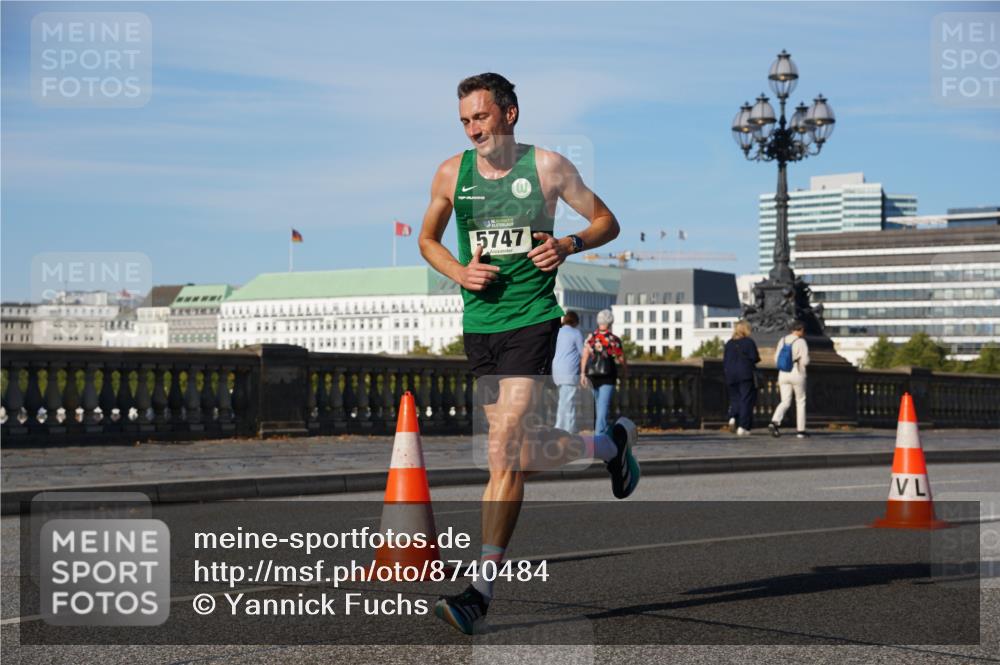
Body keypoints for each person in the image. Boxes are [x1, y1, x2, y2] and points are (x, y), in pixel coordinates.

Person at [418, 73, 641, 634]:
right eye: (466, 121)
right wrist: (459, 271)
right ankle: (609, 443)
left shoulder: (548, 168)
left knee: (502, 451)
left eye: (482, 118)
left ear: (509, 115)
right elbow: (428, 239)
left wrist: (568, 243)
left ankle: (479, 593)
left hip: (532, 321)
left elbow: (607, 222)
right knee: (521, 455)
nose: (473, 131)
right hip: (481, 326)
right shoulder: (452, 173)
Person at [580, 310, 628, 434]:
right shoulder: (614, 339)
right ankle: (600, 433)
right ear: (610, 322)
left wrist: (582, 374)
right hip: (608, 375)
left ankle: (602, 431)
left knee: (597, 406)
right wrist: (625, 371)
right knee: (603, 406)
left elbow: (584, 356)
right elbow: (621, 358)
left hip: (592, 376)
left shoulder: (591, 337)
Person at [769, 320, 810, 439]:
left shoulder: (782, 340)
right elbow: (805, 361)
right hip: (797, 372)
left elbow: (776, 358)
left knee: (785, 401)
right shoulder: (801, 341)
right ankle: (800, 431)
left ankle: (774, 421)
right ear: (801, 330)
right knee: (800, 401)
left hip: (783, 373)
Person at [722, 320, 760, 436]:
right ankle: (743, 426)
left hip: (730, 374)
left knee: (735, 399)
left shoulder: (729, 343)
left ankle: (733, 417)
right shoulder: (749, 342)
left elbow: (725, 360)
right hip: (745, 374)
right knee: (745, 399)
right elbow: (754, 358)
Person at [553, 311, 584, 433]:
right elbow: (582, 352)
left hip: (556, 371)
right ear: (575, 321)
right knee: (569, 401)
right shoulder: (576, 333)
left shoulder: (558, 332)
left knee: (563, 400)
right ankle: (567, 428)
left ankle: (562, 426)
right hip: (569, 371)